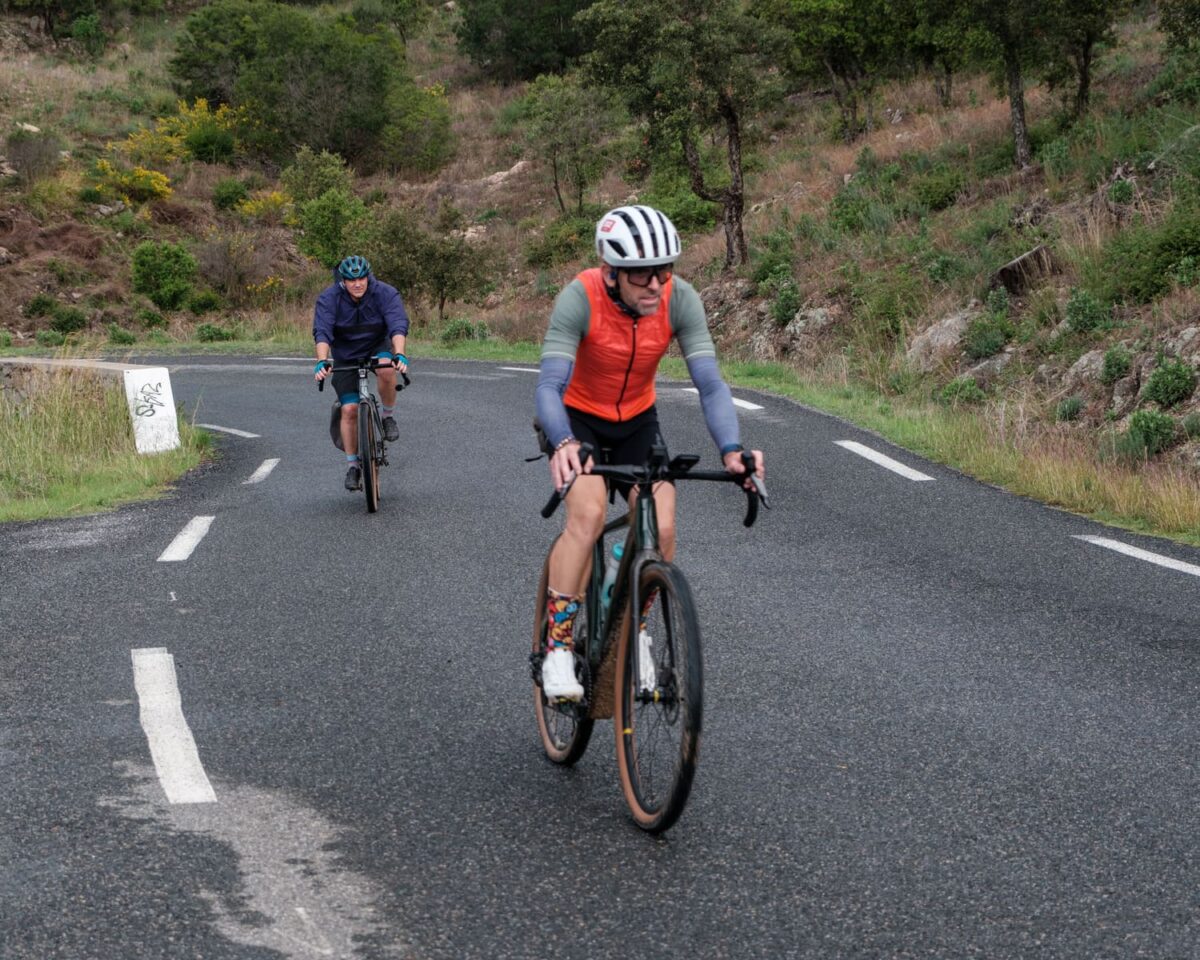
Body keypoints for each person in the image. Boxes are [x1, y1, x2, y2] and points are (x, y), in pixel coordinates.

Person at [534, 205, 765, 700]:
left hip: (638, 420)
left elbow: (709, 383)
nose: (656, 285)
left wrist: (732, 450)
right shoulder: (581, 297)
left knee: (660, 526)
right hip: (578, 420)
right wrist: (564, 443)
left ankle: (632, 627)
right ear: (612, 273)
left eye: (665, 271)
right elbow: (550, 384)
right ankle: (556, 648)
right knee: (590, 514)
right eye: (643, 275)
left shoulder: (680, 301)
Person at [313, 255, 410, 491]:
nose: (358, 284)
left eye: (362, 278)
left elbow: (397, 323)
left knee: (387, 369)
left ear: (368, 277)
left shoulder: (384, 293)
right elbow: (322, 330)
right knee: (349, 409)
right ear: (342, 281)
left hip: (377, 345)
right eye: (351, 280)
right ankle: (353, 466)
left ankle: (387, 417)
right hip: (345, 353)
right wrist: (322, 360)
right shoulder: (329, 298)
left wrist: (400, 353)